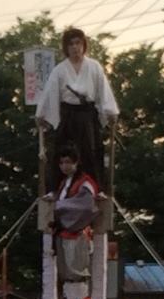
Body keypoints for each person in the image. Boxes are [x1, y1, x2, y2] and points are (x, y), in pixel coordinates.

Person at [35, 27, 119, 191]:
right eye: (71, 44)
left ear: (84, 45)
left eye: (78, 43)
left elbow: (103, 91)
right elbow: (49, 93)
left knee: (91, 152)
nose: (75, 47)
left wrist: (110, 111)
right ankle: (57, 190)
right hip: (67, 114)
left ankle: (95, 189)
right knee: (63, 152)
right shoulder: (59, 70)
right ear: (66, 47)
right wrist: (41, 115)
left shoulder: (94, 67)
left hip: (87, 114)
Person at [40, 145, 100, 299]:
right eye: (61, 162)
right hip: (63, 230)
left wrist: (59, 206)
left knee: (78, 271)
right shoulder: (64, 183)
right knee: (66, 271)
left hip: (78, 230)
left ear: (76, 163)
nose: (65, 166)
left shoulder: (85, 182)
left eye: (68, 162)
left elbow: (86, 206)